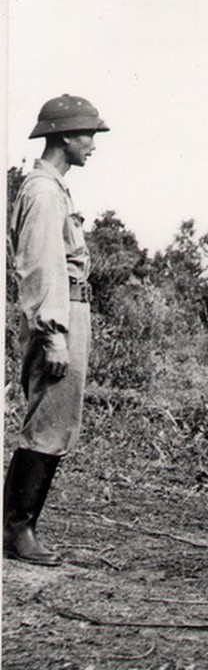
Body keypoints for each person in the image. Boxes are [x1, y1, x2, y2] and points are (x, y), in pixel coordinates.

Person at [4, 94, 108, 566]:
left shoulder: (52, 189)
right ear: (65, 135)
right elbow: (41, 268)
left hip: (70, 310)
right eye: (88, 134)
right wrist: (53, 334)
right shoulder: (43, 192)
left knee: (59, 421)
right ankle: (17, 530)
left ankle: (23, 525)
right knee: (48, 422)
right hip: (58, 313)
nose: (93, 144)